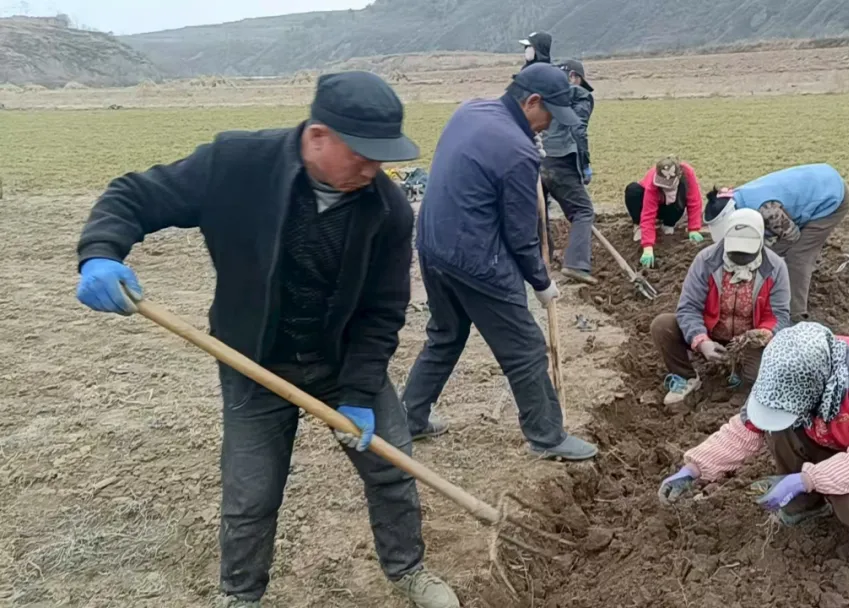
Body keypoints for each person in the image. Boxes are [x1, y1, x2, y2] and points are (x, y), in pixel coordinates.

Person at [73, 72, 459, 608]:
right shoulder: (237, 165)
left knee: (391, 468)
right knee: (251, 494)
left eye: (381, 158)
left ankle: (408, 569)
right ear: (318, 136)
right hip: (253, 360)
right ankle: (241, 595)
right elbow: (135, 195)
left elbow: (382, 311)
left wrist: (359, 391)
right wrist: (100, 252)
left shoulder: (386, 209)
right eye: (363, 156)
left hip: (340, 361)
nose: (374, 170)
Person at [401, 63, 598, 462]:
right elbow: (522, 237)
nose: (549, 126)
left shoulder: (470, 110)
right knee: (525, 346)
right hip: (476, 258)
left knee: (446, 334)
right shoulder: (517, 152)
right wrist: (541, 283)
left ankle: (409, 418)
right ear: (532, 101)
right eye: (549, 115)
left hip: (433, 245)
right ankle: (547, 436)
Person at [658, 322, 849, 562]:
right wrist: (694, 469)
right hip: (844, 439)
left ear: (816, 389)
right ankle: (807, 507)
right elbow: (746, 428)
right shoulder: (785, 367)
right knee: (777, 428)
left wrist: (805, 479)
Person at [651, 207, 790, 406]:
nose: (740, 257)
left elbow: (779, 315)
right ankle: (686, 377)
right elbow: (689, 307)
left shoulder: (775, 268)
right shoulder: (706, 261)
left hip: (748, 342)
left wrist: (761, 334)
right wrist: (701, 341)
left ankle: (743, 379)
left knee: (753, 379)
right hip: (710, 332)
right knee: (663, 325)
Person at [707, 163, 849, 320]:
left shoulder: (768, 211)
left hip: (831, 196)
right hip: (813, 184)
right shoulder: (734, 199)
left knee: (798, 256)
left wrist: (764, 255)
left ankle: (795, 314)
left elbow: (792, 236)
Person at [540, 59, 596, 285]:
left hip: (537, 158)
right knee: (583, 210)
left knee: (539, 210)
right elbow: (578, 129)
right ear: (573, 77)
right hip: (561, 159)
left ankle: (543, 259)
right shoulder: (580, 95)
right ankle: (576, 264)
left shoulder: (544, 94)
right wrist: (584, 164)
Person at [624, 156, 705, 268]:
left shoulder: (687, 174)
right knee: (633, 190)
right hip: (654, 202)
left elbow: (694, 201)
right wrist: (647, 247)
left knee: (680, 198)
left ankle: (668, 223)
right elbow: (648, 214)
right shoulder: (652, 183)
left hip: (672, 205)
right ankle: (639, 226)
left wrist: (694, 229)